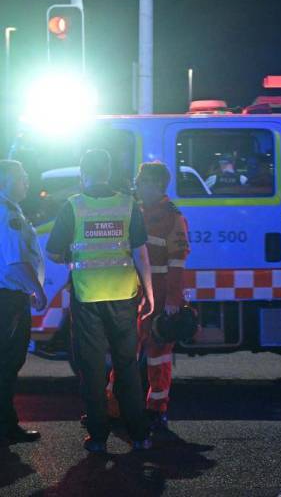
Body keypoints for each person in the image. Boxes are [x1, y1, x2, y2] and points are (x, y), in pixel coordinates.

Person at [46, 150, 154, 453]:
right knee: (127, 367)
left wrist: (72, 256)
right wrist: (150, 293)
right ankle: (139, 435)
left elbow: (53, 253)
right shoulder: (127, 204)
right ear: (108, 171)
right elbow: (140, 253)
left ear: (83, 172)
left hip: (88, 298)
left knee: (92, 370)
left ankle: (98, 438)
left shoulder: (73, 207)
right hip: (124, 297)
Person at [107, 162, 190, 431]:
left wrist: (173, 302)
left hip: (159, 293)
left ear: (155, 184)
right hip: (134, 293)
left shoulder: (172, 217)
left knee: (158, 355)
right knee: (124, 353)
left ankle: (156, 408)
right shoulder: (138, 211)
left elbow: (177, 262)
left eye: (142, 181)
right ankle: (113, 408)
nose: (137, 185)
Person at [0, 160, 46, 447]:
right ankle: (7, 426)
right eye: (22, 177)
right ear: (6, 179)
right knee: (7, 363)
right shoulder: (7, 214)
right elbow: (15, 263)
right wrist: (37, 291)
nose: (27, 183)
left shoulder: (10, 211)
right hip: (8, 300)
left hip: (8, 298)